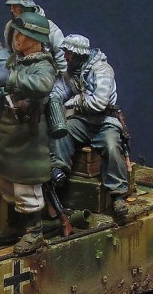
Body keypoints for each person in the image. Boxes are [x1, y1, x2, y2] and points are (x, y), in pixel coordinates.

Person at [0, 12, 58, 254]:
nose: (15, 38)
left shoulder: (43, 65)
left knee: (25, 185)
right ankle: (15, 225)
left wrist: (11, 78)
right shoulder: (14, 60)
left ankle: (34, 231)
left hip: (28, 134)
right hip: (7, 131)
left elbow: (43, 85)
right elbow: (0, 94)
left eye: (21, 35)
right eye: (16, 33)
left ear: (34, 39)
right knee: (6, 181)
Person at [50, 34, 130, 216]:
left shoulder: (102, 70)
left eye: (69, 53)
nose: (65, 56)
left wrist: (75, 100)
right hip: (83, 121)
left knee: (111, 146)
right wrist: (53, 99)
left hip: (105, 122)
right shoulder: (71, 72)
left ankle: (118, 195)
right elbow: (59, 91)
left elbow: (99, 103)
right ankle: (59, 171)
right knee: (62, 132)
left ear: (79, 54)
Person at [3, 0, 67, 76]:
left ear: (27, 7)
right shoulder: (10, 27)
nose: (12, 10)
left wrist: (61, 79)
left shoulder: (50, 29)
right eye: (11, 6)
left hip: (44, 74)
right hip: (18, 73)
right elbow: (8, 54)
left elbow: (62, 60)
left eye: (16, 7)